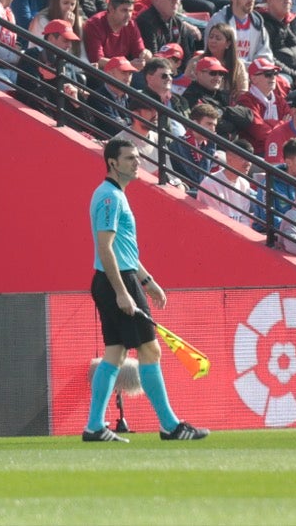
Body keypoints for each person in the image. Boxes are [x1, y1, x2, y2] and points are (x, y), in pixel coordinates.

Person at [84, 137, 207, 443]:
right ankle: (170, 425)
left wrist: (147, 281)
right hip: (117, 281)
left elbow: (123, 250)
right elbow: (105, 248)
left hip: (116, 279)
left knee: (115, 353)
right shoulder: (110, 197)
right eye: (130, 158)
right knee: (150, 350)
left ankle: (94, 427)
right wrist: (122, 291)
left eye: (137, 157)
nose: (136, 162)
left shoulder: (113, 195)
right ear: (113, 163)